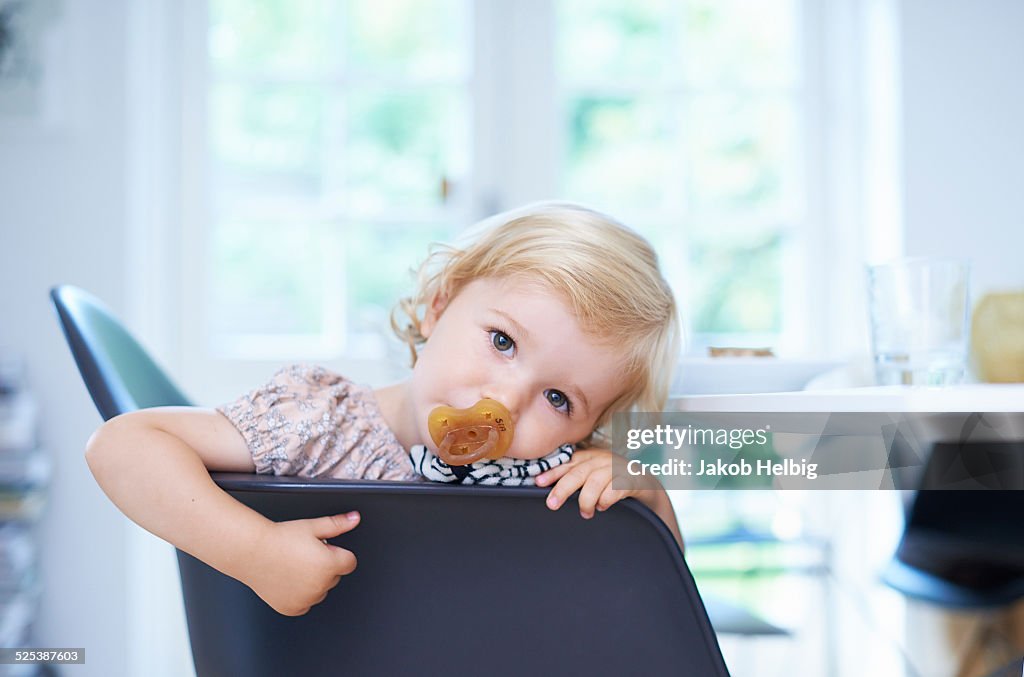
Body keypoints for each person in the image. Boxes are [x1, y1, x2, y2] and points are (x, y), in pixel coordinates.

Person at [85, 202, 682, 618]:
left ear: (591, 422)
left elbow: (659, 599)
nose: (505, 401)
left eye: (558, 399)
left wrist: (646, 491)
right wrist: (254, 551)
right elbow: (123, 445)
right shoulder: (320, 422)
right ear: (438, 305)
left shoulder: (560, 472)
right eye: (502, 341)